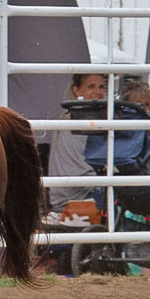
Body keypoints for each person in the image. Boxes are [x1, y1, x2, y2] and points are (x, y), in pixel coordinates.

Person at [47, 73, 107, 216]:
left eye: (101, 87)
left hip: (62, 194)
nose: (98, 92)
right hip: (78, 194)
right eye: (91, 86)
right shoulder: (83, 122)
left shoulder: (66, 117)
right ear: (76, 90)